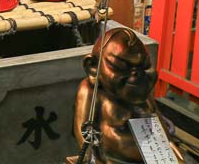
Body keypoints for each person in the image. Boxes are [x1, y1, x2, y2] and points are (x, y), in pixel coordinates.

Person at [74, 27, 184, 163]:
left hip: (154, 152)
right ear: (92, 67)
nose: (136, 74)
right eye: (120, 66)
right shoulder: (91, 90)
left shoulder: (139, 90)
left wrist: (171, 151)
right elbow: (82, 130)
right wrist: (93, 159)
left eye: (144, 65)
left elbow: (157, 120)